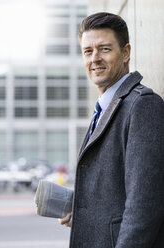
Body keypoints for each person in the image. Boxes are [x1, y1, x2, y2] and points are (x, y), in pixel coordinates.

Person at [60, 12, 164, 248]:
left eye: (104, 49)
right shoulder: (105, 107)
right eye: (88, 51)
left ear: (125, 52)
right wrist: (83, 214)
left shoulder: (142, 105)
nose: (94, 58)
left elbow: (144, 205)